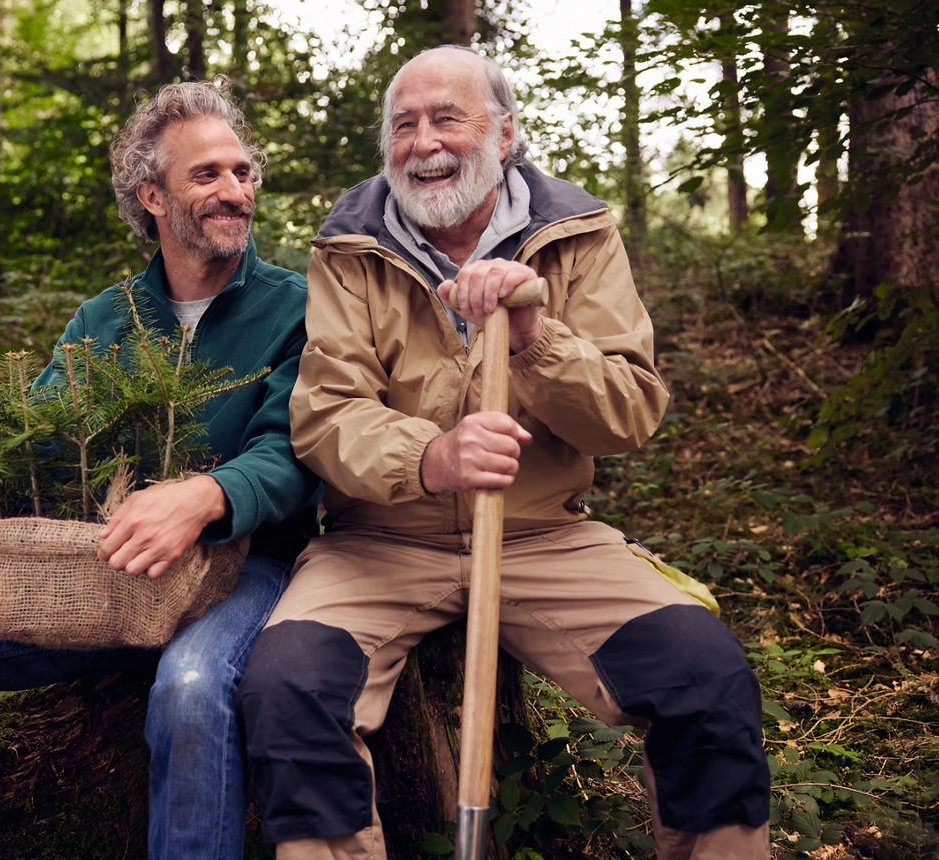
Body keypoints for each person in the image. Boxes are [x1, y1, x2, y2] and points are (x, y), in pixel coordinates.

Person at [237, 45, 771, 860]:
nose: (425, 142)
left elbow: (629, 415)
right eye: (404, 125)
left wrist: (533, 336)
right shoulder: (348, 248)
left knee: (703, 673)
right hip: (377, 543)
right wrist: (429, 458)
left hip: (544, 535)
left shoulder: (579, 235)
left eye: (448, 117)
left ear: (506, 131)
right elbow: (325, 411)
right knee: (288, 685)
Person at [0, 82, 321, 859]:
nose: (235, 191)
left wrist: (206, 494)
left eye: (243, 172)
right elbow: (41, 441)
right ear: (151, 195)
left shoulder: (299, 308)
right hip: (107, 575)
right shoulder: (105, 319)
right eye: (208, 176)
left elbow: (295, 452)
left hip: (245, 569)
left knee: (191, 690)